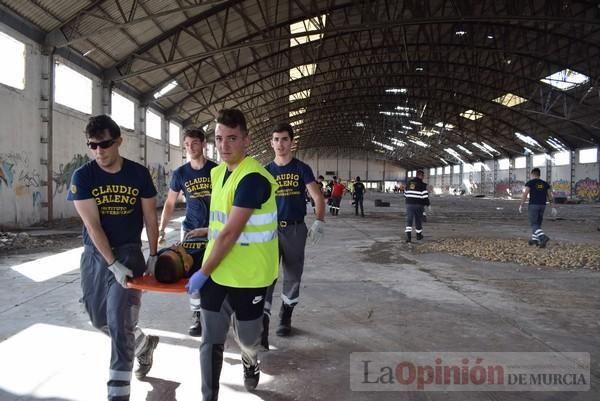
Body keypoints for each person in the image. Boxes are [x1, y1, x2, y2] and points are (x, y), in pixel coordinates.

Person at [186, 109, 279, 400]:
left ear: (246, 140)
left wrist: (201, 272)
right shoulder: (217, 173)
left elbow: (230, 233)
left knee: (248, 339)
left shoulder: (253, 178)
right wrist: (206, 231)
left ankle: (250, 359)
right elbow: (223, 223)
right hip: (219, 271)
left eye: (232, 138)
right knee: (210, 340)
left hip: (249, 276)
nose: (223, 145)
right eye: (218, 138)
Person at [67, 114, 160, 401]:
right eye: (92, 146)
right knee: (98, 319)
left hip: (130, 252)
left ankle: (117, 394)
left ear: (118, 141)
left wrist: (154, 254)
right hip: (96, 257)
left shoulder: (138, 174)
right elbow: (93, 226)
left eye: (104, 144)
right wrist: (110, 263)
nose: (99, 151)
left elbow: (149, 216)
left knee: (119, 325)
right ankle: (143, 342)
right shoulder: (83, 176)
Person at [262, 122, 325, 347]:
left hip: (295, 229)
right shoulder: (266, 171)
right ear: (271, 143)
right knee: (266, 274)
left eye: (284, 139)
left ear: (291, 142)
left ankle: (285, 314)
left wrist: (319, 220)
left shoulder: (302, 168)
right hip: (269, 229)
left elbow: (317, 197)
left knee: (293, 274)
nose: (280, 144)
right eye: (276, 139)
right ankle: (264, 319)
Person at [158, 128, 217, 337]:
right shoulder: (181, 173)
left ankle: (216, 314)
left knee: (214, 272)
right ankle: (197, 316)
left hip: (214, 231)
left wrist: (215, 229)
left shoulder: (216, 170)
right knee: (191, 274)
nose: (190, 148)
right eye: (186, 145)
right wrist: (161, 228)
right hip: (191, 231)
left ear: (202, 144)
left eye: (194, 143)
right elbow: (170, 202)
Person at [519, 168, 556, 248]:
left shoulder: (530, 183)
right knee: (538, 223)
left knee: (533, 223)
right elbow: (550, 196)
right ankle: (535, 239)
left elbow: (525, 194)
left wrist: (521, 205)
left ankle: (543, 237)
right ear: (539, 174)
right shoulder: (545, 184)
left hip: (533, 205)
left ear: (532, 174)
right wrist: (553, 207)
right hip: (543, 205)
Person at [404, 169, 430, 242]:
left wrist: (410, 199)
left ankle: (408, 238)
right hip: (419, 205)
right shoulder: (422, 185)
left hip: (409, 204)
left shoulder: (409, 183)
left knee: (409, 220)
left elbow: (405, 194)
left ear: (416, 175)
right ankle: (418, 236)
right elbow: (425, 197)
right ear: (421, 176)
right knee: (418, 220)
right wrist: (428, 204)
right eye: (423, 176)